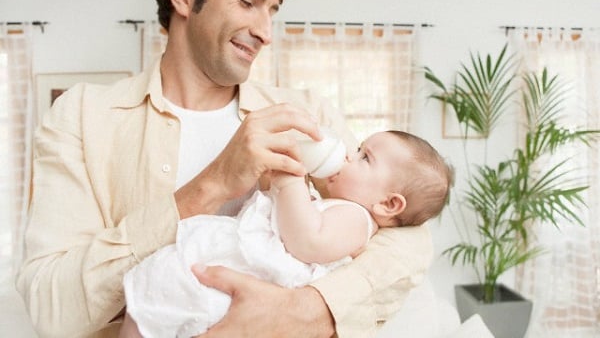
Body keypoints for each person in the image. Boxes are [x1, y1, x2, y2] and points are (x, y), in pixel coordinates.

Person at [17, 0, 435, 337]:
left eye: (271, 11)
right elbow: (50, 309)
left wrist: (306, 311)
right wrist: (209, 186)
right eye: (247, 2)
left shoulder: (305, 116)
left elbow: (408, 240)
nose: (266, 32)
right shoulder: (82, 116)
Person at [119, 130, 453, 338]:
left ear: (389, 204)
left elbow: (307, 242)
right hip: (226, 265)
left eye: (366, 158)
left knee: (162, 303)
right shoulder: (336, 203)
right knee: (149, 301)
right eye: (359, 146)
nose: (350, 154)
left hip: (244, 288)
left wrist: (289, 180)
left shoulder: (357, 220)